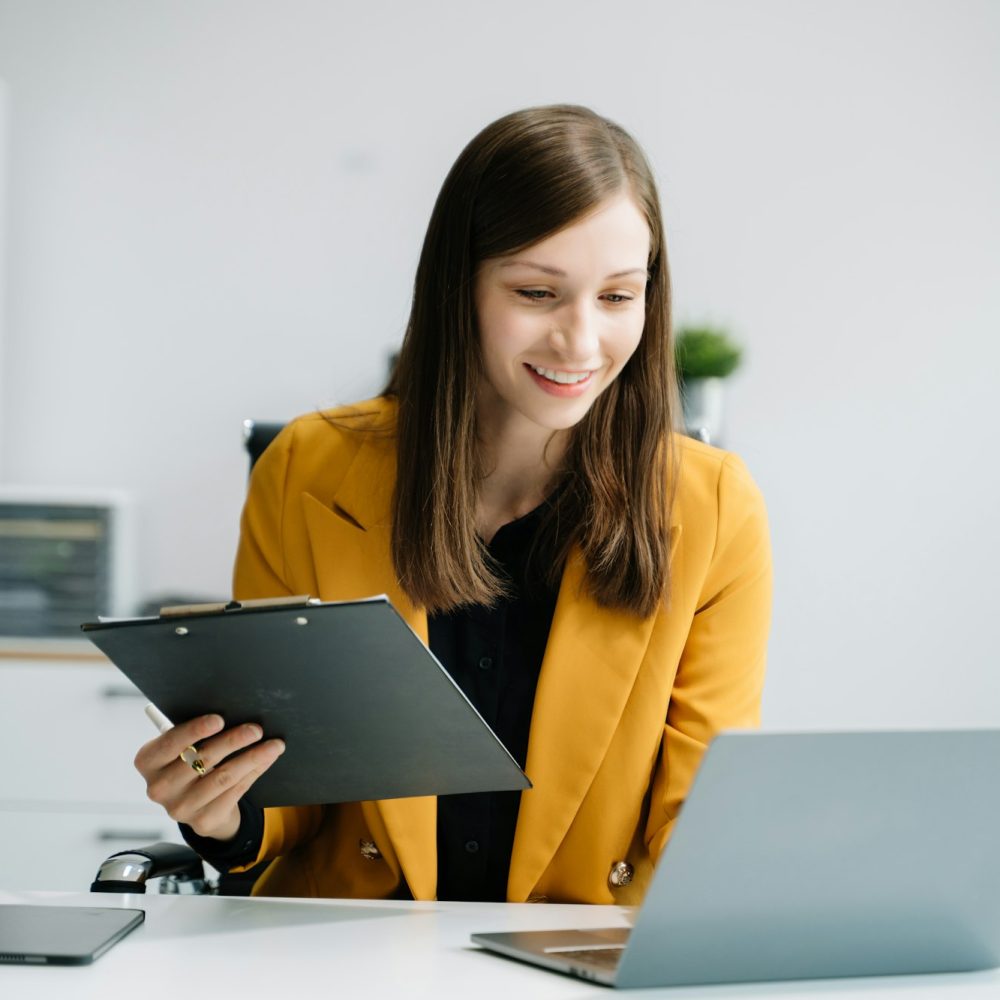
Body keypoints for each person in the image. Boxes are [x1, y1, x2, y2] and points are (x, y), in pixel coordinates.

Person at [134, 104, 772, 905]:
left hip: (573, 960)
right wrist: (222, 808)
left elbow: (698, 820)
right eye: (538, 292)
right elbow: (291, 791)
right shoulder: (308, 469)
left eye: (617, 297)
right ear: (457, 287)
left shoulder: (714, 507)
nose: (581, 342)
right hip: (343, 955)